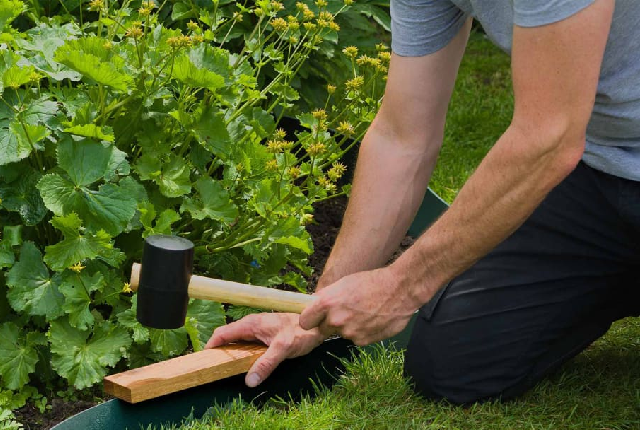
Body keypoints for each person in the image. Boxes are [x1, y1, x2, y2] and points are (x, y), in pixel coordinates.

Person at [206, 0, 640, 404]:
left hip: (573, 152)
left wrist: (401, 286)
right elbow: (403, 136)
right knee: (452, 364)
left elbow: (550, 138)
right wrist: (313, 314)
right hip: (596, 171)